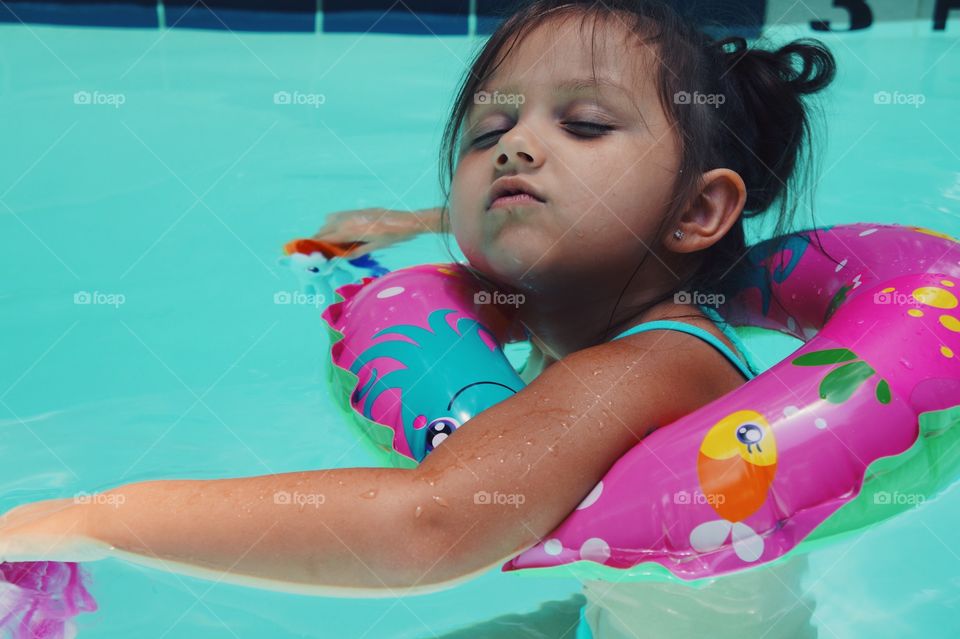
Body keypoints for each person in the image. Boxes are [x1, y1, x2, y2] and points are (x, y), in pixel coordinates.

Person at [0, 1, 835, 636]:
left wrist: (85, 517)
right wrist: (417, 222)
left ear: (698, 211)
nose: (515, 147)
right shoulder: (595, 313)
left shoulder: (650, 365)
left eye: (582, 125)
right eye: (489, 131)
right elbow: (562, 220)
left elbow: (425, 525)